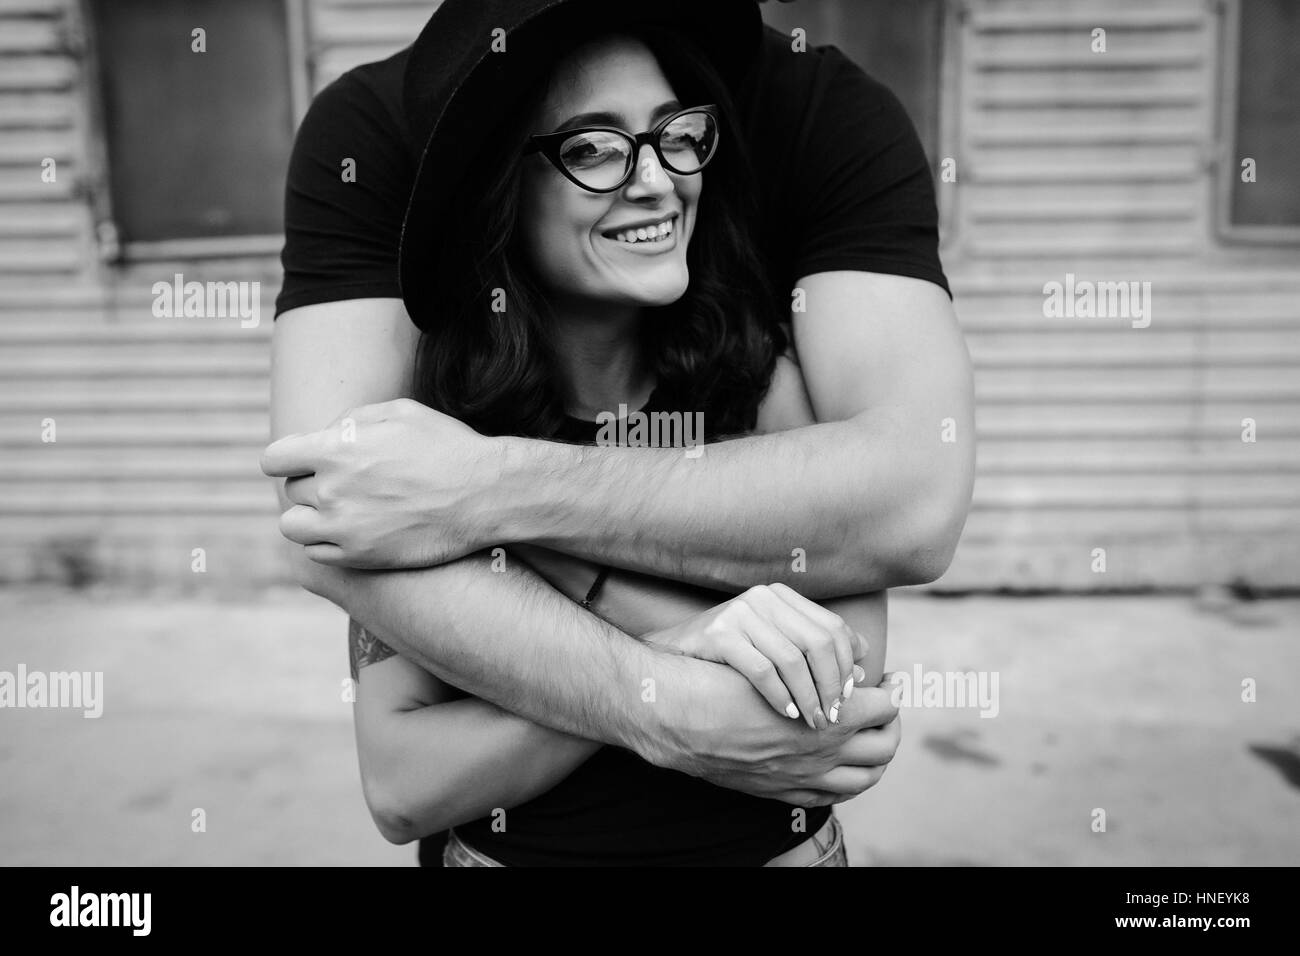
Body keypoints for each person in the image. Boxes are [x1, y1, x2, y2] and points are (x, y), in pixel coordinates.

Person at [262, 0, 974, 864]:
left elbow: (844, 697)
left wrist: (506, 527)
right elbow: (403, 786)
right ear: (503, 190)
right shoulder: (436, 430)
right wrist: (674, 659)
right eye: (593, 148)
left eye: (677, 133)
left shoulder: (761, 383)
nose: (656, 179)